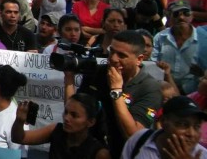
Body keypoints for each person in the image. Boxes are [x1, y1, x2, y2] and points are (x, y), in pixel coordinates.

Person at [65, 30, 162, 158]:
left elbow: (133, 135)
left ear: (139, 59)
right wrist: (69, 80)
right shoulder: (99, 73)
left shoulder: (150, 88)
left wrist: (116, 90)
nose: (114, 58)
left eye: (122, 55)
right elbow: (74, 110)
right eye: (112, 51)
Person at [12, 93, 110, 159]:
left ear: (91, 122)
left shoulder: (99, 153)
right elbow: (19, 138)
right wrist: (19, 121)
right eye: (66, 112)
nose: (67, 118)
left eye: (74, 115)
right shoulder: (56, 130)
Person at [121, 96, 207, 159]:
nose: (191, 133)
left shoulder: (203, 155)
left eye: (197, 126)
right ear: (163, 122)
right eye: (183, 124)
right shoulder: (141, 138)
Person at [153, 0, 205, 94]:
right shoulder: (159, 38)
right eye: (176, 14)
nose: (181, 17)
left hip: (196, 90)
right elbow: (153, 63)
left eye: (186, 13)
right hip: (165, 89)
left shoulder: (203, 38)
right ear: (169, 17)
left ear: (192, 16)